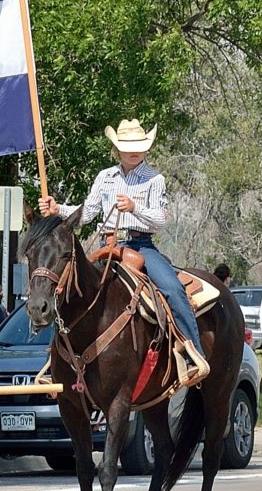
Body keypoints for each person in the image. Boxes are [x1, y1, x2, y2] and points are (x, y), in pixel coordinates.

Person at [38, 117, 210, 383]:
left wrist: (134, 207)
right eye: (128, 145)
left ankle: (191, 353)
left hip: (141, 246)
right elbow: (87, 213)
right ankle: (56, 361)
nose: (134, 150)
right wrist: (58, 209)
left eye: (139, 145)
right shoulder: (105, 177)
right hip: (107, 245)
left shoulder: (155, 180)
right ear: (117, 148)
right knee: (69, 287)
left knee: (172, 289)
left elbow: (161, 219)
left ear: (146, 148)